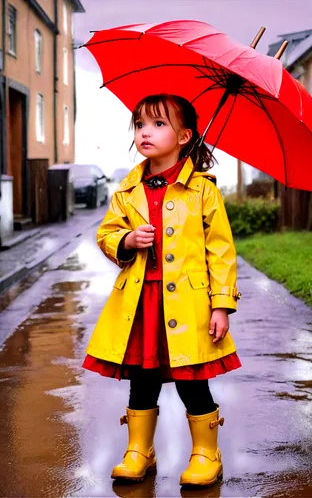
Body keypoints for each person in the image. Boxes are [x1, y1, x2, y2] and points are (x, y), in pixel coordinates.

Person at [82, 93, 242, 487]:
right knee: (143, 377)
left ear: (185, 136)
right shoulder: (128, 188)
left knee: (192, 377)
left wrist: (221, 306)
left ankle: (207, 452)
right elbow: (106, 233)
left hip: (188, 303)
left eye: (158, 124)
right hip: (142, 301)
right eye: (139, 125)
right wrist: (126, 240)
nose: (145, 133)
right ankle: (140, 450)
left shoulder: (202, 190)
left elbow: (220, 252)